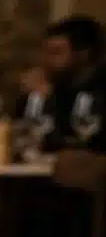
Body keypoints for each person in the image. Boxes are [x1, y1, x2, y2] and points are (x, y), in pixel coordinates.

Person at [20, 16, 106, 149]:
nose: (45, 60)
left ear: (83, 54)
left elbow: (82, 143)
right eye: (45, 52)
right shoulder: (60, 84)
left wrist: (49, 99)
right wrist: (32, 99)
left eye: (55, 53)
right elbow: (25, 130)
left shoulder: (100, 89)